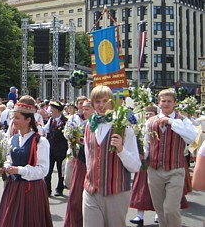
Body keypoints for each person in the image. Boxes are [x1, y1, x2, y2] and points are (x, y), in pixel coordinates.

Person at [83, 85, 141, 227]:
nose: (101, 105)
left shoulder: (123, 126)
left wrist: (121, 149)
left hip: (116, 192)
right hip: (91, 191)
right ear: (92, 103)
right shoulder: (89, 126)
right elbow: (88, 158)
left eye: (105, 101)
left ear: (112, 102)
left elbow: (136, 166)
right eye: (97, 101)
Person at [0, 95, 53, 227]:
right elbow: (8, 160)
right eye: (13, 118)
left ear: (28, 120)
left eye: (17, 118)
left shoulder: (40, 141)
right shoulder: (13, 139)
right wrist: (5, 168)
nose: (13, 121)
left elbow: (43, 170)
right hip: (13, 188)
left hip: (31, 190)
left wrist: (19, 170)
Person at [145, 89, 198, 227]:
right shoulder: (150, 121)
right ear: (159, 102)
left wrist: (171, 122)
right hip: (154, 170)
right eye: (163, 101)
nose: (166, 104)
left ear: (175, 103)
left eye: (169, 101)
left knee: (171, 209)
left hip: (175, 170)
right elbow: (146, 144)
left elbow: (192, 137)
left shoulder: (182, 121)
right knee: (160, 209)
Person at [64, 99, 94, 227]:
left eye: (87, 109)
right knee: (75, 199)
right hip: (81, 162)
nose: (83, 111)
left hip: (92, 165)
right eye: (83, 109)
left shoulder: (96, 125)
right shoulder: (83, 124)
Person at [43, 100, 68, 196]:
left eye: (52, 108)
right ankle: (47, 190)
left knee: (60, 171)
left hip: (61, 150)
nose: (51, 110)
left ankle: (59, 189)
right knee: (48, 171)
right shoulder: (51, 120)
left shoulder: (65, 121)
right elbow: (45, 129)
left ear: (57, 110)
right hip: (51, 149)